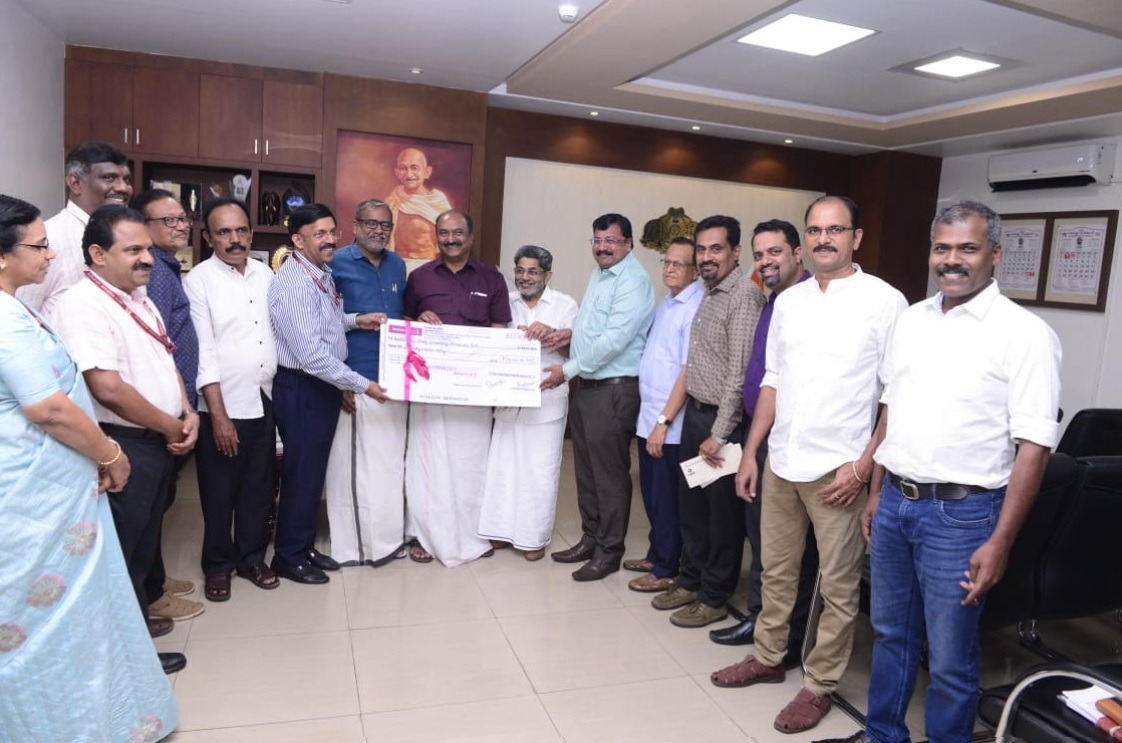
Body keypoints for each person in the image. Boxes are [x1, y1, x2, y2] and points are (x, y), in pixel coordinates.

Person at [820, 201, 1062, 743]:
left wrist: (1000, 542)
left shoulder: (1024, 334)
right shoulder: (912, 320)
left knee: (950, 657)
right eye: (942, 248)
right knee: (890, 636)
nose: (952, 260)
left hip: (963, 517)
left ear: (995, 254)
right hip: (895, 504)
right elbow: (891, 411)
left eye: (967, 248)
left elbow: (1034, 449)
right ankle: (882, 734)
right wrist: (877, 493)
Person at [710, 196, 906, 734]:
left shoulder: (885, 301)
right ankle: (769, 656)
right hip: (782, 460)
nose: (824, 239)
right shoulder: (789, 302)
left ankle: (819, 684)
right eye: (815, 230)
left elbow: (895, 396)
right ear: (806, 240)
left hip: (839, 472)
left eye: (835, 230)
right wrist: (752, 453)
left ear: (856, 238)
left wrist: (864, 469)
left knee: (837, 587)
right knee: (775, 570)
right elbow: (773, 380)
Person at [0, 195, 179, 738]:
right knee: (43, 616)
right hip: (32, 493)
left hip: (58, 481)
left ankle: (99, 703)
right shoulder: (10, 318)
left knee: (89, 598)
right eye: (39, 245)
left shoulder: (19, 307)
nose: (51, 254)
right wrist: (110, 454)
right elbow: (50, 407)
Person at [54, 203, 203, 670]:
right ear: (98, 254)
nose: (147, 259)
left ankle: (135, 656)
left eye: (147, 249)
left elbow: (167, 359)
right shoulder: (81, 304)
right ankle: (120, 664)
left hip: (157, 439)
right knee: (120, 559)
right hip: (123, 443)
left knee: (139, 551)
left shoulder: (139, 298)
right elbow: (108, 389)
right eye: (133, 250)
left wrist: (186, 411)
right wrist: (170, 425)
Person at [649, 216, 766, 628]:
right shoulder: (708, 293)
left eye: (716, 249)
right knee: (693, 510)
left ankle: (714, 597)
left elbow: (739, 374)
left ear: (736, 252)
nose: (706, 257)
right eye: (701, 249)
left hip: (723, 426)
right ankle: (691, 581)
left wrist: (719, 433)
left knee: (721, 520)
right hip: (696, 416)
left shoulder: (744, 298)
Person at [709, 220, 818, 656]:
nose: (766, 262)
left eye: (775, 252)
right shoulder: (775, 300)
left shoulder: (811, 302)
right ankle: (762, 620)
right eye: (760, 254)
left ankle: (786, 636)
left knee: (786, 547)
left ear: (797, 253)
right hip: (761, 433)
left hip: (791, 441)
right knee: (763, 537)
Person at [268, 203, 389, 584]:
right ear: (297, 240)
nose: (329, 240)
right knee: (301, 473)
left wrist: (355, 320)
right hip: (303, 386)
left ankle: (302, 546)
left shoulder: (319, 273)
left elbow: (325, 322)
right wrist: (363, 384)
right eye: (318, 234)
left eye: (331, 232)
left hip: (319, 387)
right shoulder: (295, 284)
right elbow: (312, 356)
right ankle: (288, 556)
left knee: (311, 473)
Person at [544, 213, 655, 581]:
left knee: (609, 476)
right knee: (587, 472)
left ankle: (609, 552)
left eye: (611, 241)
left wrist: (567, 370)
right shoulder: (601, 274)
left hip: (615, 389)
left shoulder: (633, 281)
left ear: (629, 244)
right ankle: (590, 539)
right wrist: (571, 334)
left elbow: (614, 340)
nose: (603, 247)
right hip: (590, 386)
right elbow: (595, 327)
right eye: (597, 240)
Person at [403, 209, 512, 566]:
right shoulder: (419, 277)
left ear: (471, 236)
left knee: (470, 465)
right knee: (426, 464)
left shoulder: (492, 278)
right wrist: (418, 320)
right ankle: (423, 534)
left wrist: (494, 383)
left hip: (473, 393)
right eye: (444, 233)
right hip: (429, 391)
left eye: (458, 233)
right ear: (437, 236)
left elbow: (500, 332)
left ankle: (471, 534)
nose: (450, 239)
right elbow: (404, 325)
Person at [184, 198, 279, 601]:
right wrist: (217, 415)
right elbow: (203, 350)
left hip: (264, 396)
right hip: (222, 404)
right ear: (208, 237)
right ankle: (218, 565)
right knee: (220, 490)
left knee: (259, 486)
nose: (234, 239)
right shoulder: (199, 280)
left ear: (251, 233)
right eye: (224, 232)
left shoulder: (266, 274)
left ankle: (251, 558)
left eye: (241, 230)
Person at [478, 245, 579, 561]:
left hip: (546, 400)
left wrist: (551, 334)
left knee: (539, 472)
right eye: (520, 270)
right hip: (507, 401)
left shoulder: (565, 305)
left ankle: (532, 538)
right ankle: (499, 531)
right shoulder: (504, 302)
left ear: (548, 275)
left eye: (533, 271)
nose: (525, 277)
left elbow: (575, 355)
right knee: (503, 468)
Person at [324, 199, 409, 566]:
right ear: (355, 225)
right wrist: (341, 381)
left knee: (389, 466)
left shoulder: (397, 265)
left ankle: (388, 541)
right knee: (353, 471)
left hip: (394, 380)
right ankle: (353, 547)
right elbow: (325, 324)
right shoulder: (335, 262)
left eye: (385, 225)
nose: (378, 230)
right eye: (371, 223)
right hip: (355, 379)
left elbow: (401, 317)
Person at [131, 188, 203, 611]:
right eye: (168, 220)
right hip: (161, 411)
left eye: (182, 218)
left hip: (176, 405)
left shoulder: (166, 266)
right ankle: (149, 595)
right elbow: (156, 345)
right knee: (150, 505)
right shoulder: (155, 270)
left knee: (160, 501)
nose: (180, 226)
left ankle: (154, 581)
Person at [627, 237, 701, 592]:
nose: (669, 269)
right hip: (650, 417)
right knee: (653, 495)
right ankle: (657, 554)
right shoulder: (667, 302)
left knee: (669, 499)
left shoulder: (694, 307)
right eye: (666, 262)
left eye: (678, 264)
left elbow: (687, 372)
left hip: (671, 425)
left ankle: (667, 569)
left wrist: (663, 422)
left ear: (695, 270)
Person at [17, 141, 132, 319]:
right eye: (109, 178)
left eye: (126, 180)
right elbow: (20, 317)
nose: (123, 188)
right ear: (75, 183)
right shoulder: (48, 240)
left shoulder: (128, 238)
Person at [384, 147, 453, 260]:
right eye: (403, 168)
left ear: (427, 172)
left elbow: (451, 241)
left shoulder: (438, 202)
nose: (409, 174)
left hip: (428, 266)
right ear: (396, 173)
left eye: (414, 168)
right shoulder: (392, 200)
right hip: (396, 266)